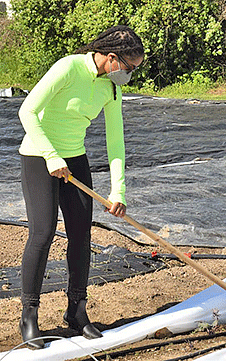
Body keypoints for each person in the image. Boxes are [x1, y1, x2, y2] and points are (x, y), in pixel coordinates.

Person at [17, 25, 144, 349]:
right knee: (43, 233)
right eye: (128, 68)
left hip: (74, 158)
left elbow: (116, 141)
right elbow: (27, 111)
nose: (128, 75)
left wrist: (119, 192)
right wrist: (50, 155)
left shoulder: (111, 89)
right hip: (39, 156)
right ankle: (29, 317)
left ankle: (76, 310)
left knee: (81, 233)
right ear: (111, 57)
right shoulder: (68, 67)